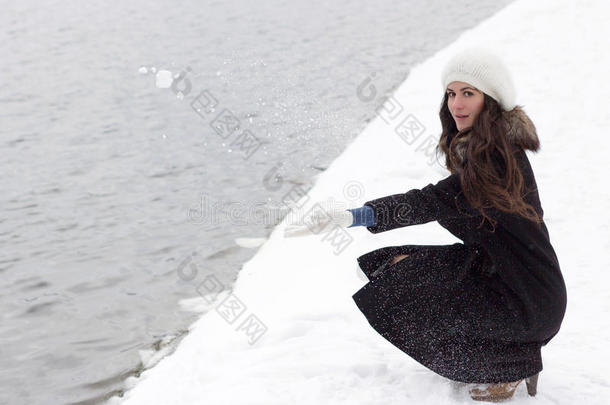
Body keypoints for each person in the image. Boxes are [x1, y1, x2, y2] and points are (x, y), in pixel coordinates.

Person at [283, 47, 567, 402]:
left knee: (401, 289)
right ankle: (512, 359)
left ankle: (506, 368)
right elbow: (444, 205)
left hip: (528, 299)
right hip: (509, 276)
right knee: (398, 267)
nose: (457, 104)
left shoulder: (495, 161)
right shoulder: (488, 150)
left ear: (490, 101)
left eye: (469, 93)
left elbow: (427, 201)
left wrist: (351, 216)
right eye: (452, 93)